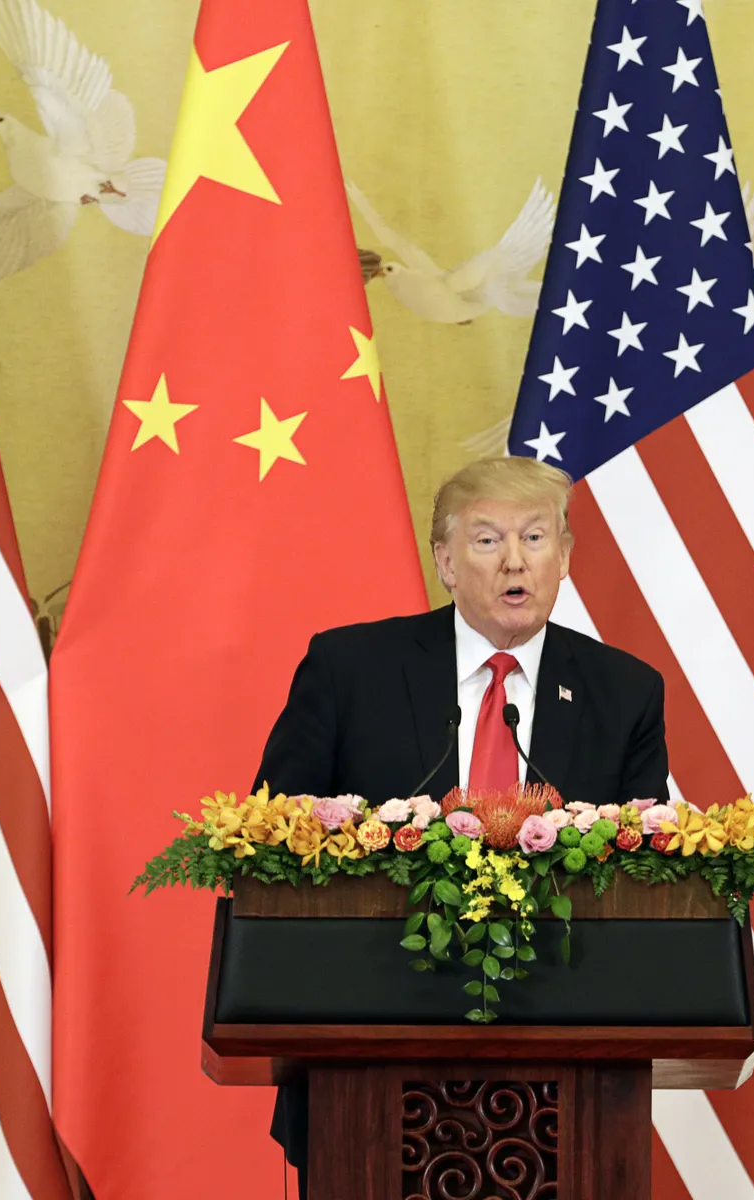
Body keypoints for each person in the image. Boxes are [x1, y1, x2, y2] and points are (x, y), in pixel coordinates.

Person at [250, 455, 669, 1196]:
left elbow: (646, 867)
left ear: (564, 556)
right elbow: (274, 838)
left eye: (534, 537)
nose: (515, 560)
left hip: (564, 1066)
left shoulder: (625, 691)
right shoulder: (350, 668)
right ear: (445, 562)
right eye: (486, 540)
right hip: (367, 1048)